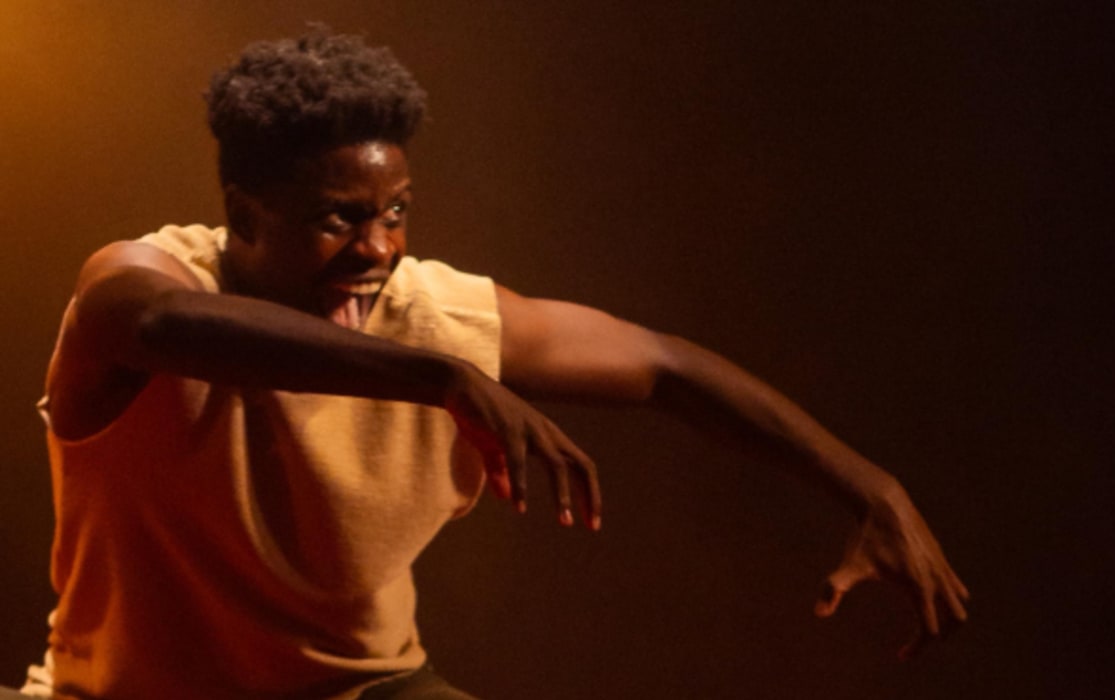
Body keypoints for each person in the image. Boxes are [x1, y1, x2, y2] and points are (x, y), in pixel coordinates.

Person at [20, 29, 968, 700]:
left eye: (395, 212)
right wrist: (440, 378)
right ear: (245, 214)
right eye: (338, 218)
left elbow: (666, 367)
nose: (378, 248)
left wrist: (870, 488)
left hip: (365, 691)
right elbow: (158, 324)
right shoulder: (148, 280)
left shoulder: (436, 313)